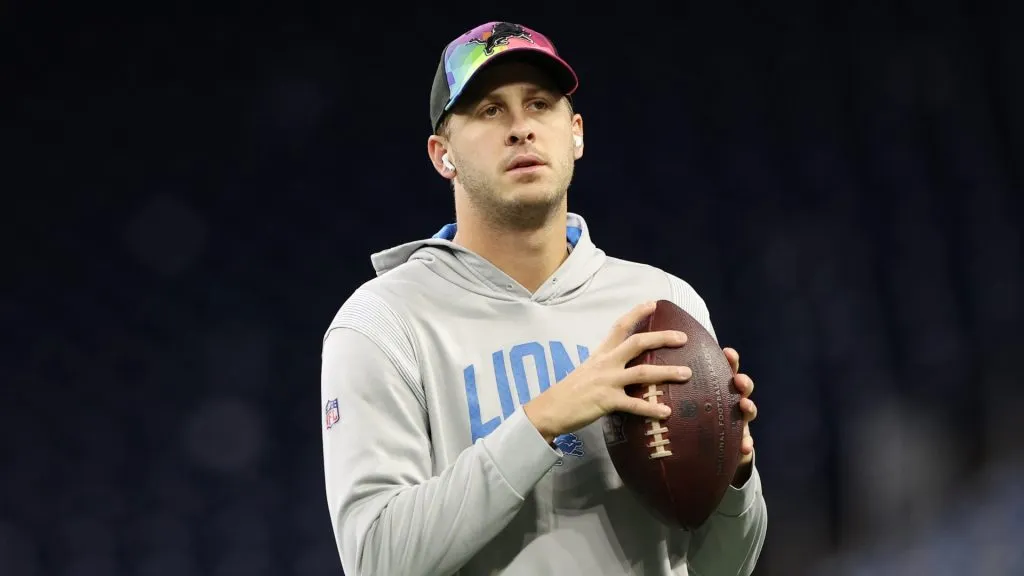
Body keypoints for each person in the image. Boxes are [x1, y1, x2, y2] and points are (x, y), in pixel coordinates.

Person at [320, 21, 767, 576]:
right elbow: (376, 558)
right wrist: (541, 420)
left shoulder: (660, 304)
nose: (520, 129)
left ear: (575, 133)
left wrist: (732, 478)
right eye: (489, 110)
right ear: (443, 155)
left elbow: (724, 568)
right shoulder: (384, 322)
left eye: (539, 105)